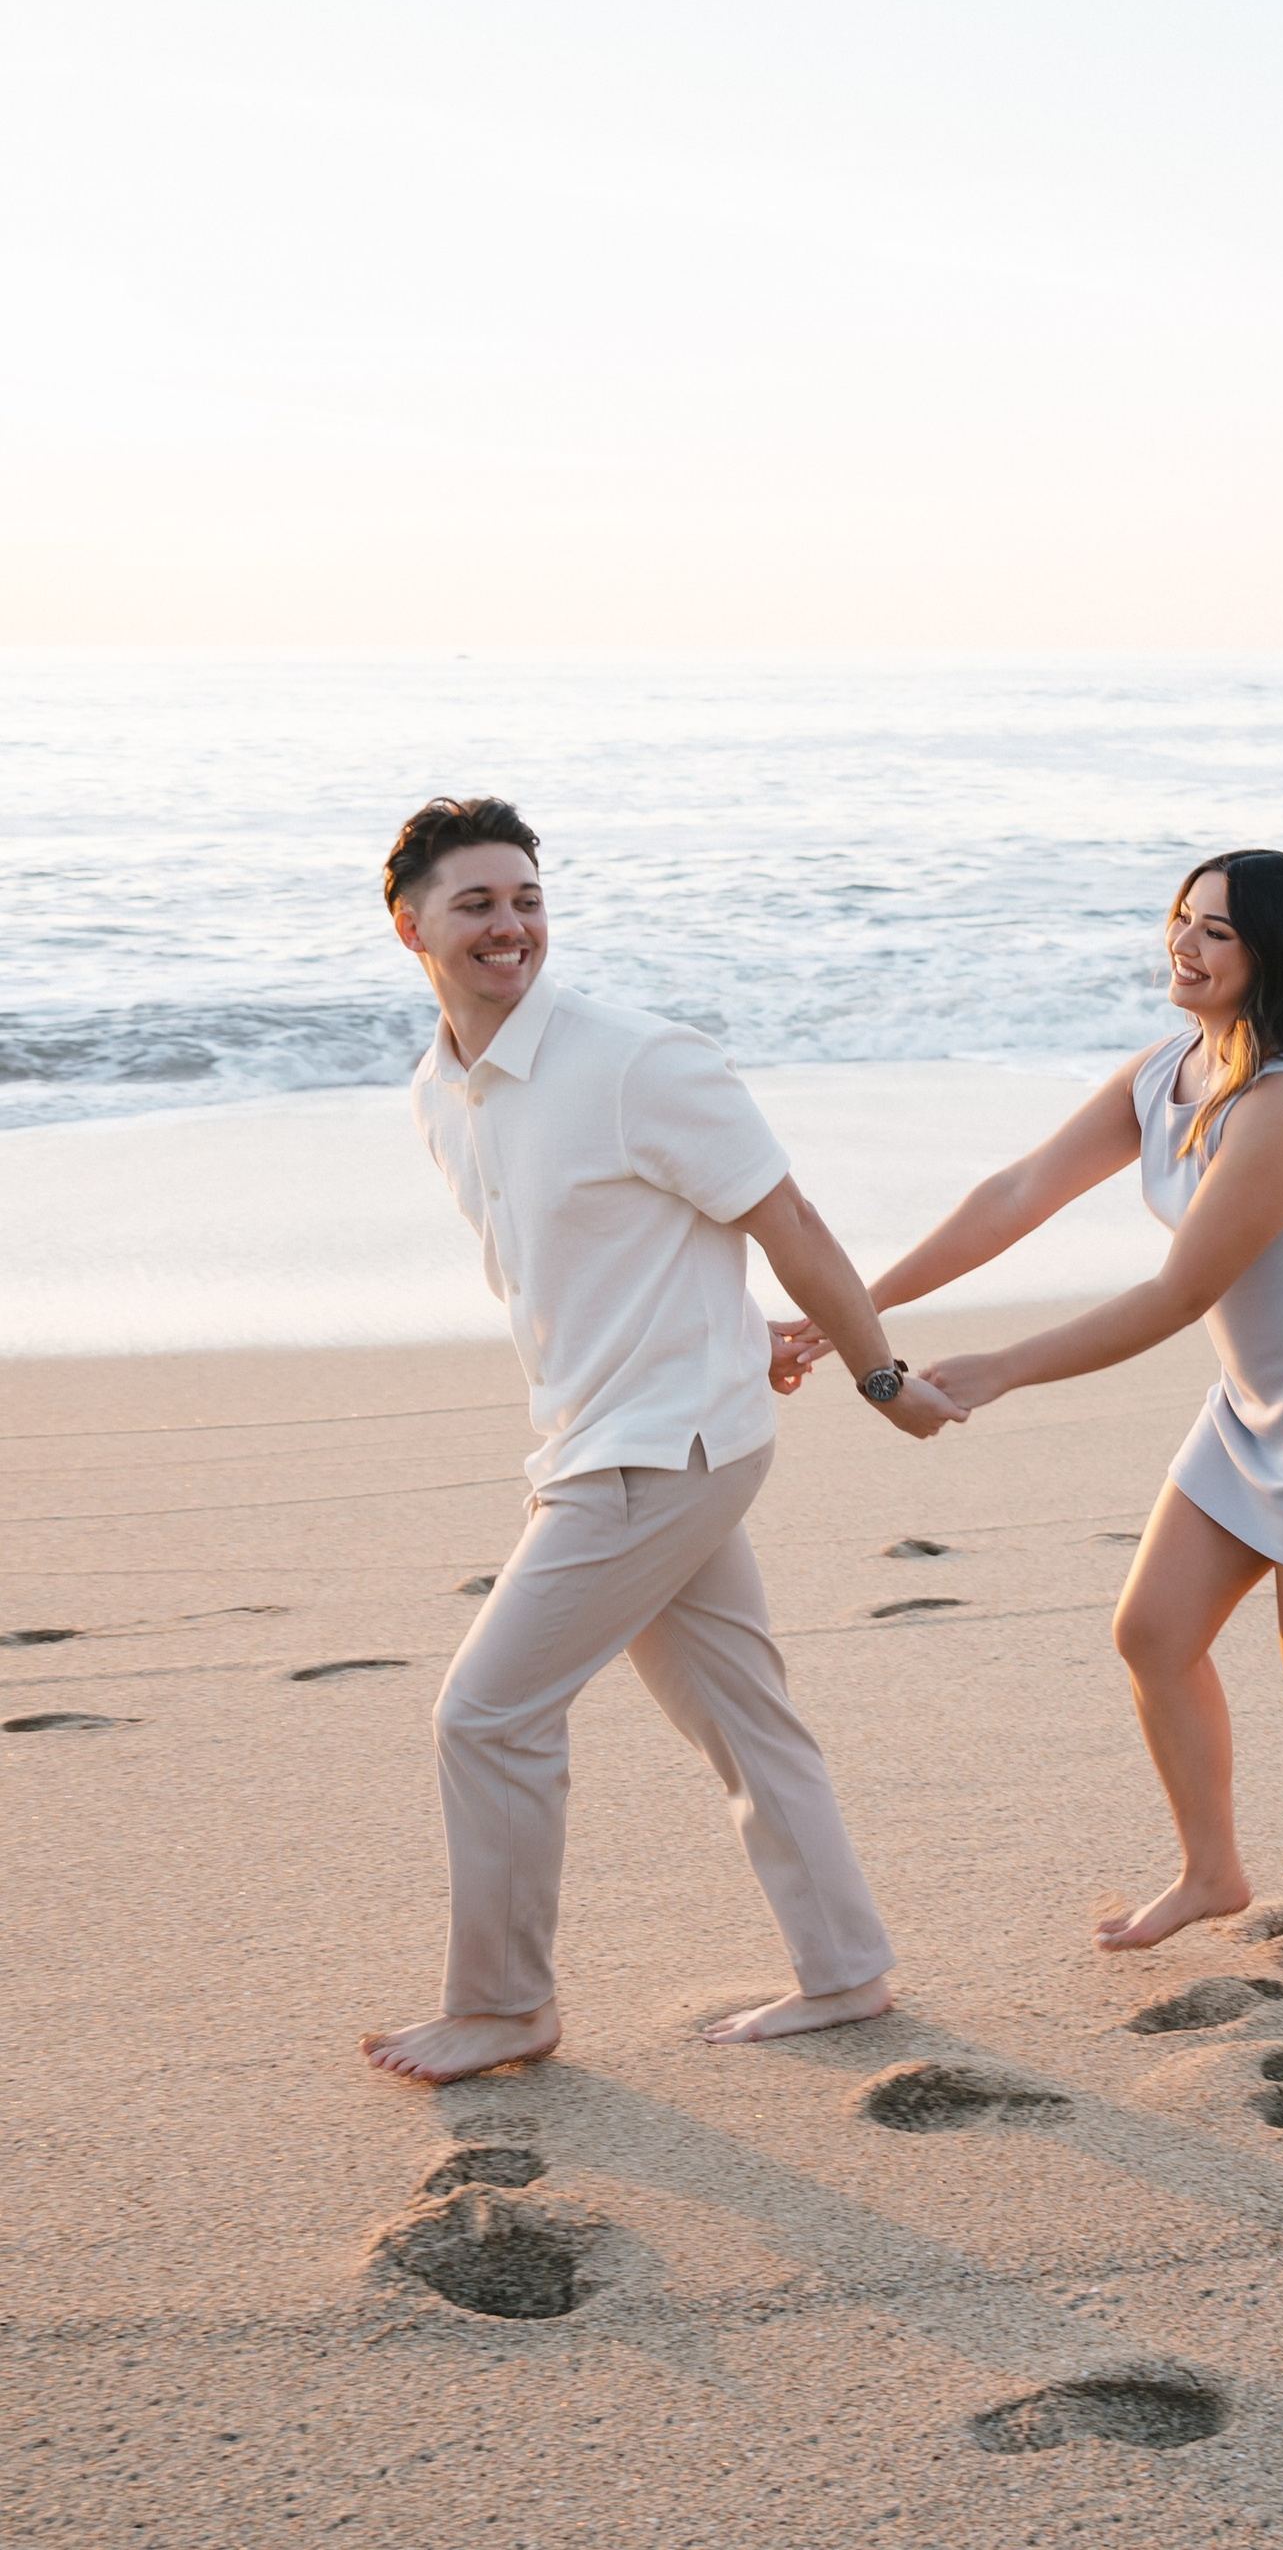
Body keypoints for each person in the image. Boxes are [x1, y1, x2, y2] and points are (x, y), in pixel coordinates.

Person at [775, 848, 1283, 1988]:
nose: (1184, 946)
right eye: (1181, 920)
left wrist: (1004, 1365)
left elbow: (1178, 1293)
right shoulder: (1169, 1068)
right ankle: (1212, 1870)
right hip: (1253, 1409)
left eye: (1217, 933)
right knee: (1152, 1632)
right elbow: (1016, 1192)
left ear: (1275, 955)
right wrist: (856, 1305)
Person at [360, 795, 963, 2087]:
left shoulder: (636, 1058)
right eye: (477, 904)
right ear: (410, 925)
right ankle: (847, 1971)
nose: (509, 925)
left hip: (662, 1448)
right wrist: (725, 1330)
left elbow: (788, 1218)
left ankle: (504, 2004)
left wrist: (880, 1375)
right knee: (743, 1717)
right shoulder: (441, 1091)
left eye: (526, 898)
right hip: (615, 1427)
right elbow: (603, 1261)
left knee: (487, 1714)